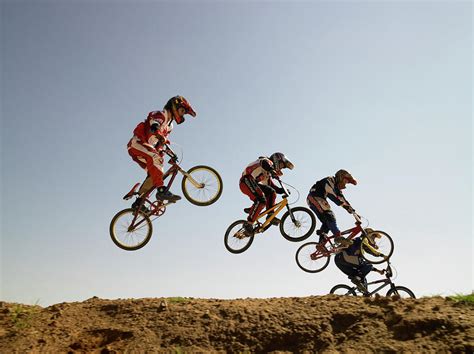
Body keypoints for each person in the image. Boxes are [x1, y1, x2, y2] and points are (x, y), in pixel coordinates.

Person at [127, 95, 196, 208]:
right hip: (138, 143)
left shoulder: (169, 126)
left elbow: (161, 143)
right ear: (174, 106)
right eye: (182, 110)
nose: (182, 114)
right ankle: (161, 191)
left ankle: (139, 203)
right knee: (156, 159)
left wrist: (170, 153)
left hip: (147, 149)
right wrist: (156, 127)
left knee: (155, 174)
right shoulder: (161, 114)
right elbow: (155, 124)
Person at [240, 153, 294, 235]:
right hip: (246, 181)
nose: (281, 168)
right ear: (276, 160)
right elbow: (264, 164)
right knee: (261, 200)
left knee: (271, 192)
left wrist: (282, 190)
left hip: (253, 184)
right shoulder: (265, 160)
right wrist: (272, 171)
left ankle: (270, 215)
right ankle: (249, 223)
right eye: (281, 165)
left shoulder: (267, 173)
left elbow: (272, 187)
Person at [307, 169, 357, 247]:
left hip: (317, 200)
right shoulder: (329, 180)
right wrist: (345, 207)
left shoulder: (336, 187)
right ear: (341, 177)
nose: (345, 184)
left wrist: (353, 211)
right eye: (345, 181)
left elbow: (342, 199)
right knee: (330, 215)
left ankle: (321, 245)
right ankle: (338, 237)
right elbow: (332, 196)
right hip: (315, 198)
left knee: (327, 223)